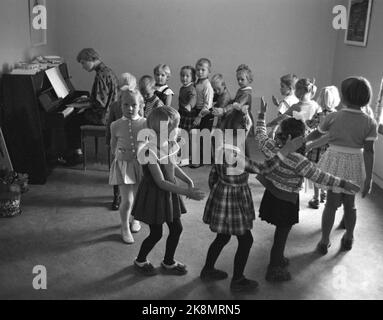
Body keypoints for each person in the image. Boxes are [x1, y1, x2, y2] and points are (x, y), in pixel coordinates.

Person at [255, 98, 360, 281]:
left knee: (280, 234)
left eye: (278, 132)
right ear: (294, 139)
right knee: (281, 235)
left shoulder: (271, 147)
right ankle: (274, 268)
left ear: (283, 137)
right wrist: (344, 183)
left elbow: (260, 135)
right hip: (286, 202)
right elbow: (321, 176)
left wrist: (262, 115)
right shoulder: (300, 161)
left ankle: (278, 258)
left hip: (271, 196)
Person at [201, 109, 304, 292]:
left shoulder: (222, 145)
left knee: (222, 237)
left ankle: (207, 269)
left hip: (223, 196)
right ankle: (238, 280)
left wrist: (217, 192)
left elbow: (213, 176)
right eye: (247, 127)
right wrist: (285, 151)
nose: (248, 131)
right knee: (246, 240)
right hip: (232, 201)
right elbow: (262, 168)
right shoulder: (233, 153)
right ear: (241, 128)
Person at [305, 77, 378, 255]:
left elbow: (317, 134)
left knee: (330, 205)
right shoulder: (370, 122)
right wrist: (368, 179)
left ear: (344, 97)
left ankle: (324, 240)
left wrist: (303, 141)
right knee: (350, 205)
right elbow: (369, 152)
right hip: (354, 164)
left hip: (334, 163)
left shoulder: (333, 116)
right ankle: (349, 236)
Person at [132, 106, 205, 276]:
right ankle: (140, 260)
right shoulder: (149, 151)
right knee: (156, 233)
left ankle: (168, 261)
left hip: (169, 193)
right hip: (155, 195)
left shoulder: (168, 144)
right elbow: (160, 181)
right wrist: (186, 192)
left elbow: (172, 165)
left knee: (176, 229)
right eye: (174, 128)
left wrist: (188, 180)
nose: (178, 131)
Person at [66, 48, 119, 164]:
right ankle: (76, 151)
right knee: (76, 115)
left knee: (71, 120)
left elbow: (100, 104)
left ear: (91, 60)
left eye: (83, 63)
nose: (83, 66)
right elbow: (102, 97)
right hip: (111, 113)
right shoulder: (107, 71)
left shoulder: (101, 76)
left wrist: (81, 105)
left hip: (103, 117)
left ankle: (77, 154)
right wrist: (87, 100)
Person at [108, 89, 146, 244]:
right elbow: (113, 145)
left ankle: (135, 219)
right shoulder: (115, 125)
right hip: (123, 165)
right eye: (126, 104)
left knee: (138, 198)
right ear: (120, 105)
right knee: (127, 200)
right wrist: (119, 153)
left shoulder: (145, 123)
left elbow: (151, 142)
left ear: (140, 105)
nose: (130, 108)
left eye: (134, 105)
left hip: (140, 165)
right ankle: (124, 227)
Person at [306, 86, 341, 209]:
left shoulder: (319, 115)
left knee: (316, 174)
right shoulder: (339, 116)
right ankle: (324, 194)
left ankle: (316, 198)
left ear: (321, 99)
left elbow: (309, 125)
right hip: (331, 150)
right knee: (327, 174)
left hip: (317, 149)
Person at [107, 73, 137, 211]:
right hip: (119, 143)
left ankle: (132, 197)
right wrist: (109, 142)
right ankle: (116, 196)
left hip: (133, 144)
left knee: (134, 172)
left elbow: (141, 121)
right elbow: (110, 124)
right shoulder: (114, 106)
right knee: (118, 171)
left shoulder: (137, 104)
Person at [190, 58, 215, 168]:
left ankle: (203, 160)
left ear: (209, 71)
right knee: (196, 135)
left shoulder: (207, 85)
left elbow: (208, 105)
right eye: (198, 70)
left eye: (203, 70)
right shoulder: (197, 83)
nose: (200, 72)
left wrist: (199, 116)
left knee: (204, 136)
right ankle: (199, 158)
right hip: (197, 110)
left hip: (205, 113)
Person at [178, 66, 197, 133]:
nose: (184, 78)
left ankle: (188, 141)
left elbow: (193, 97)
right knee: (181, 128)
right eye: (182, 76)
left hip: (188, 113)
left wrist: (190, 105)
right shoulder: (182, 88)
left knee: (187, 130)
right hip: (182, 111)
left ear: (192, 78)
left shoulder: (191, 88)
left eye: (187, 76)